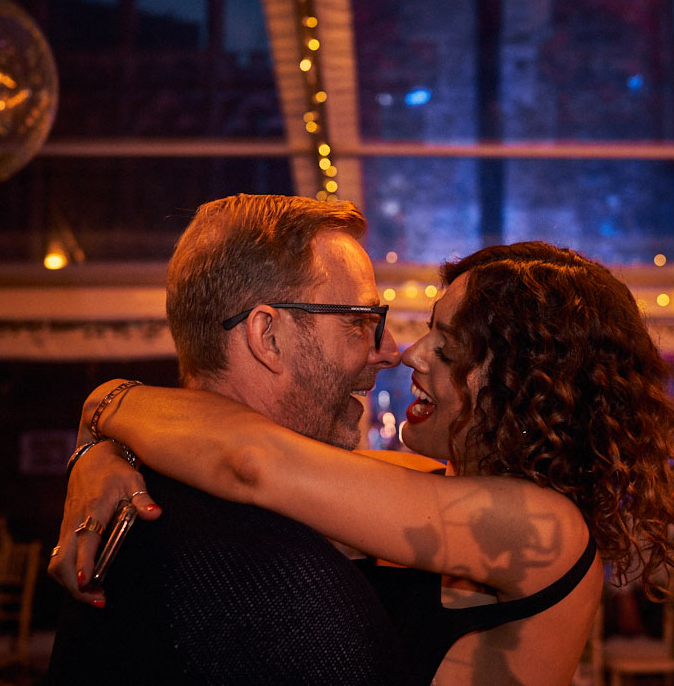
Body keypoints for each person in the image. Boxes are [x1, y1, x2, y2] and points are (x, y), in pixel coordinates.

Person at [52, 239, 674, 685]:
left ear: (521, 380)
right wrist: (104, 454)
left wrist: (103, 404)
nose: (411, 355)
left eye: (446, 346)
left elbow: (253, 462)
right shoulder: (434, 493)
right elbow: (243, 463)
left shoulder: (546, 527)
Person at [46, 194, 414, 685]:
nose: (390, 352)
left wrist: (100, 424)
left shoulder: (146, 497)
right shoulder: (280, 584)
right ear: (268, 336)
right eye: (359, 321)